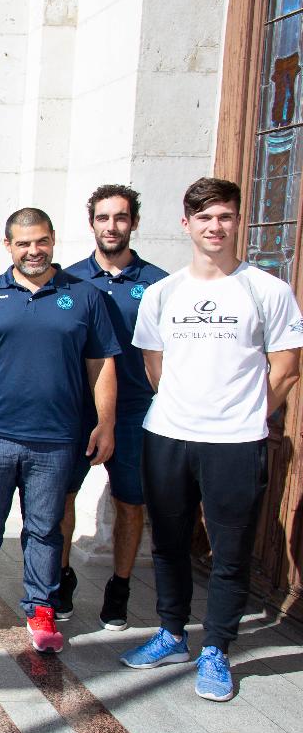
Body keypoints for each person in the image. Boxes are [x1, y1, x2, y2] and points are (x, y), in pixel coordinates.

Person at [120, 177, 303, 702]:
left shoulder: (266, 290)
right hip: (168, 436)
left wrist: (244, 415)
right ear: (186, 225)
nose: (214, 227)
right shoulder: (162, 292)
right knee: (170, 542)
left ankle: (217, 649)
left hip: (236, 443)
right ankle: (172, 633)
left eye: (224, 216)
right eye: (204, 218)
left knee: (230, 550)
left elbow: (286, 369)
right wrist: (187, 408)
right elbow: (154, 365)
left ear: (237, 220)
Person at [0, 207, 119, 654]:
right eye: (23, 243)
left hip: (57, 438)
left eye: (40, 241)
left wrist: (106, 422)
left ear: (53, 240)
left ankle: (40, 607)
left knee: (45, 528)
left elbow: (101, 364)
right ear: (8, 247)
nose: (33, 251)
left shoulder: (84, 295)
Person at [57, 185, 168, 626]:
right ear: (92, 224)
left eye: (120, 217)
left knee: (130, 501)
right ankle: (61, 577)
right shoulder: (69, 279)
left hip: (136, 409)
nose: (111, 226)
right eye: (103, 218)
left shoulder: (158, 283)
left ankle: (119, 587)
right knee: (62, 495)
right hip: (78, 409)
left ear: (134, 223)